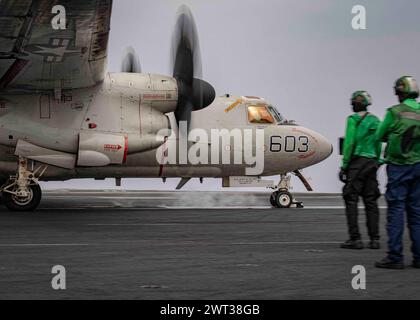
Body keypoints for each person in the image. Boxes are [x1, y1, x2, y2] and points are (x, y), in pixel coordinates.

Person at [375, 76, 420, 270]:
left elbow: (379, 135)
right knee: (417, 213)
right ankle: (418, 258)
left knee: (396, 210)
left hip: (399, 166)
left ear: (399, 92)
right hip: (418, 166)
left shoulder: (394, 112)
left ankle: (395, 256)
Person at [339, 91, 382, 250]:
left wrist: (344, 165)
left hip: (357, 163)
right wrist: (376, 161)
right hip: (371, 162)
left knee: (351, 199)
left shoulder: (353, 120)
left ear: (356, 104)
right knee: (371, 201)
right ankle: (375, 239)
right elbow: (378, 143)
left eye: (353, 101)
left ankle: (355, 239)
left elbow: (349, 143)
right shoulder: (375, 120)